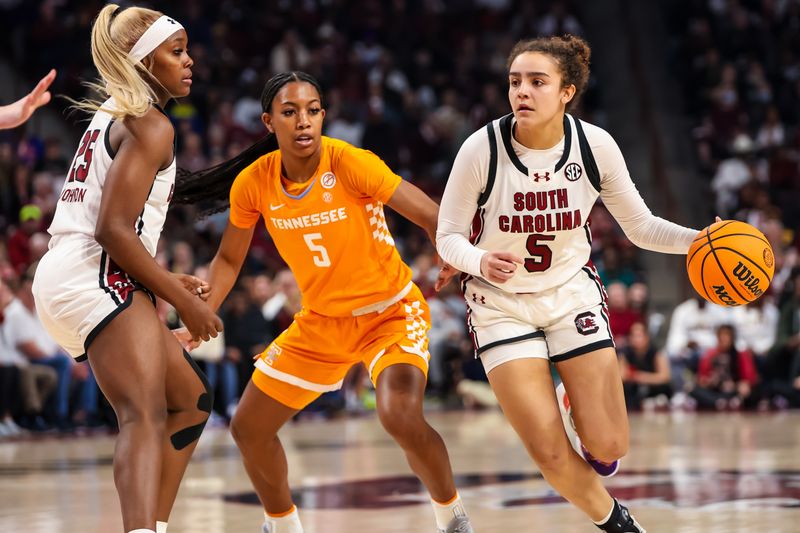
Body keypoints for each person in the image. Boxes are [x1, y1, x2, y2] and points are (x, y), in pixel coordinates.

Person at [174, 71, 472, 533]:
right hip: (321, 322)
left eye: (312, 110)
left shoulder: (350, 162)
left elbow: (430, 214)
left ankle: (451, 517)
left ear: (323, 115)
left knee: (398, 415)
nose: (303, 121)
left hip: (390, 312)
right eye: (290, 112)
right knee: (249, 429)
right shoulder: (254, 183)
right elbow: (228, 260)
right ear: (268, 122)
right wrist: (200, 313)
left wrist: (448, 255)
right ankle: (283, 525)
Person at [436, 34, 705, 533]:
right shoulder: (481, 148)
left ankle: (571, 402)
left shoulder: (594, 145)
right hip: (500, 305)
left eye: (538, 82)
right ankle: (622, 525)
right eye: (516, 81)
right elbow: (447, 236)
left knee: (610, 449)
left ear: (567, 91)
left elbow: (641, 227)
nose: (522, 91)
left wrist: (700, 241)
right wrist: (476, 259)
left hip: (569, 294)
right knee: (548, 450)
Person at [30, 6, 221, 533]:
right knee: (142, 415)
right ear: (144, 61)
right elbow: (112, 231)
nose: (189, 60)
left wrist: (162, 278)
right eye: (176, 51)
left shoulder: (117, 113)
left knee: (190, 401)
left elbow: (113, 225)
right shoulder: (151, 124)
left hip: (78, 272)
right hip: (94, 272)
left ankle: (152, 526)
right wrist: (182, 300)